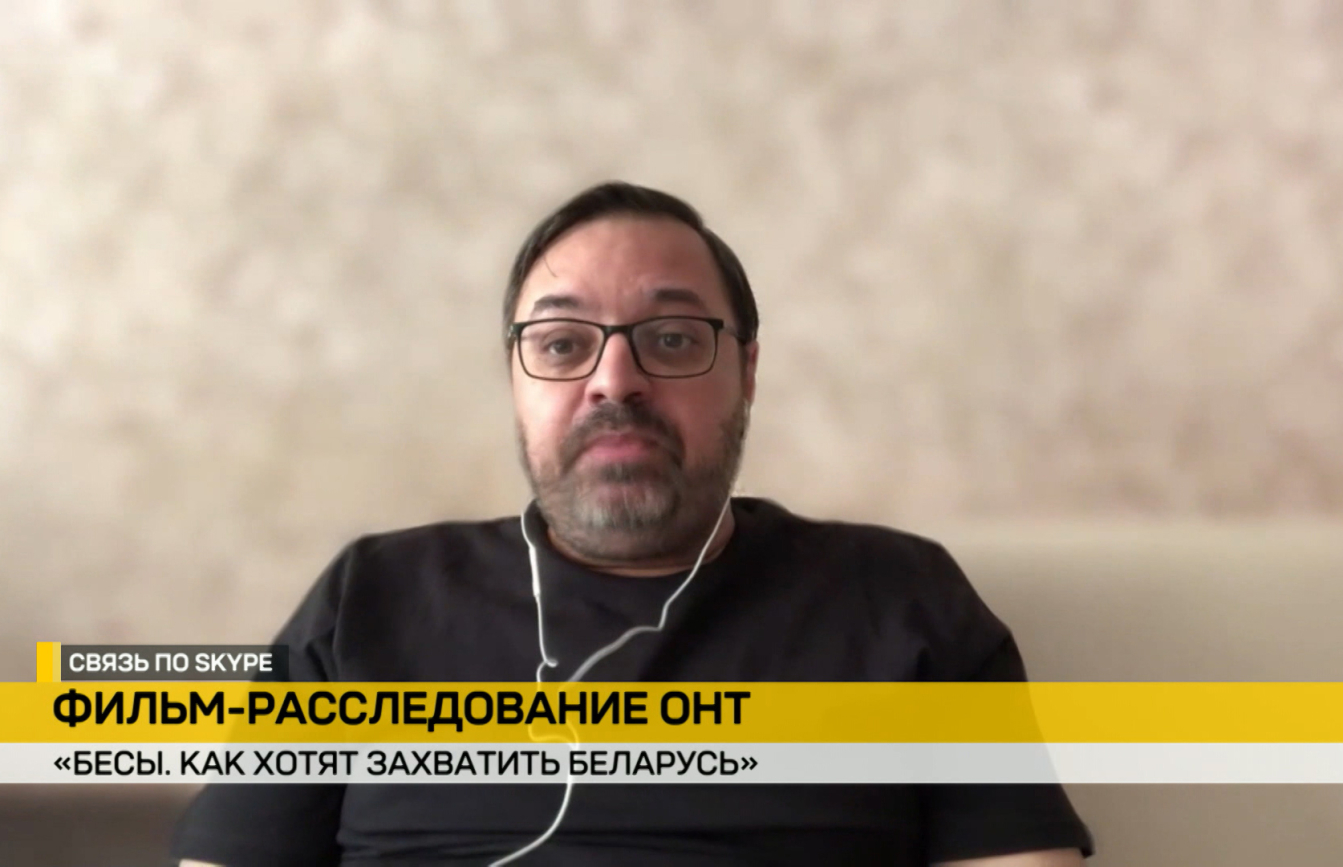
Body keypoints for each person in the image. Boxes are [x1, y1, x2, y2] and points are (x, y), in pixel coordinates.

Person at [172, 182, 1093, 866]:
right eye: (562, 344)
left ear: (747, 373)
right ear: (515, 380)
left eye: (673, 338)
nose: (614, 380)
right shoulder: (369, 596)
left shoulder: (900, 598)